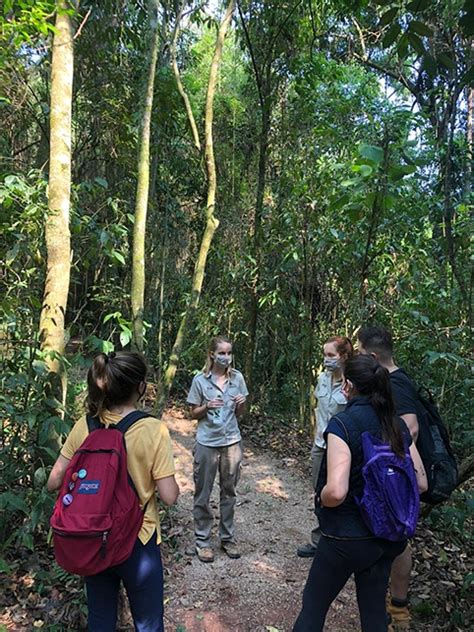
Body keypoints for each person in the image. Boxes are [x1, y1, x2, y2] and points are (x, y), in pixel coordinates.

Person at [293, 354, 427, 632]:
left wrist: (322, 497)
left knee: (314, 607)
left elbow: (337, 491)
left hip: (347, 537)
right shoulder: (396, 424)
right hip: (388, 536)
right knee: (374, 611)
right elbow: (421, 483)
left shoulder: (343, 424)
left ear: (348, 386)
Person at [47, 352, 179, 632]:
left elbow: (53, 482)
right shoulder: (154, 430)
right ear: (140, 387)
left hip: (94, 537)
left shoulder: (85, 425)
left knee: (101, 620)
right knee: (148, 622)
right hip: (138, 540)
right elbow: (169, 496)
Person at [357, 325, 421, 629]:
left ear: (371, 355)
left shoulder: (397, 383)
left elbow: (410, 427)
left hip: (399, 478)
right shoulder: (387, 381)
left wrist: (386, 468)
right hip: (393, 474)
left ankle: (398, 607)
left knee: (399, 538)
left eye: (359, 353)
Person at [186, 335, 248, 563]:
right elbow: (192, 413)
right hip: (206, 443)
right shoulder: (200, 380)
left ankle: (227, 538)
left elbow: (241, 413)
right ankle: (202, 541)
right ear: (212, 354)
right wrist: (206, 406)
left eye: (229, 353)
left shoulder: (238, 378)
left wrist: (242, 404)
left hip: (232, 441)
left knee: (229, 491)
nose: (226, 357)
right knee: (203, 492)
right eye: (221, 353)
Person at [297, 335, 353, 558]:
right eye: (325, 355)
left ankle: (337, 542)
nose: (326, 359)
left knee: (339, 495)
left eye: (331, 355)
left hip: (342, 450)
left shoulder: (352, 384)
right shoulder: (322, 379)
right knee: (320, 494)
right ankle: (320, 540)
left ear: (344, 356)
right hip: (320, 445)